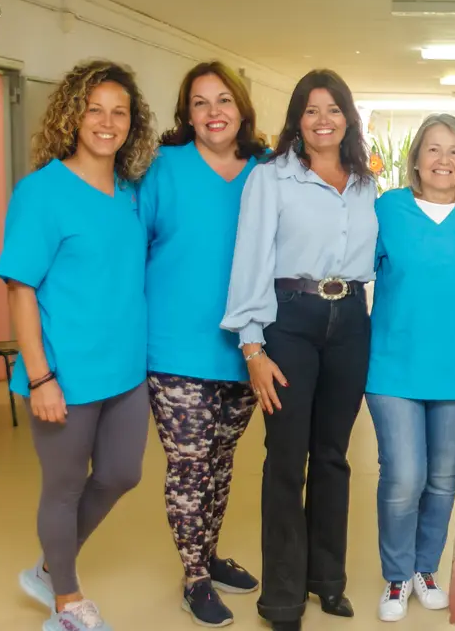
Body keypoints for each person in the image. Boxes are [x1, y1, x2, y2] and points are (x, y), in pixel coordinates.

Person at [1, 59, 157, 631]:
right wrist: (40, 377)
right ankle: (66, 602)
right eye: (95, 109)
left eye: (119, 112)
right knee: (63, 487)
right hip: (64, 373)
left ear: (131, 123)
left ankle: (47, 568)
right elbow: (21, 289)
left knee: (121, 474)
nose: (107, 122)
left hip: (125, 372)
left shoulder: (131, 192)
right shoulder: (41, 192)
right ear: (73, 114)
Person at [221, 69, 378, 631]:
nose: (323, 120)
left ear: (347, 118)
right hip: (291, 320)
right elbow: (251, 259)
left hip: (351, 321)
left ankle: (326, 581)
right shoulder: (272, 179)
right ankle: (282, 596)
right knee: (287, 458)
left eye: (333, 109)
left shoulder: (364, 183)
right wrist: (252, 345)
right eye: (311, 110)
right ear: (297, 119)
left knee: (334, 456)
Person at [140, 61, 266, 626]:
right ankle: (193, 577)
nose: (213, 113)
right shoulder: (160, 169)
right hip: (175, 349)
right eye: (200, 102)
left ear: (241, 109)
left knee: (219, 463)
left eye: (223, 101)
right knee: (188, 466)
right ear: (186, 114)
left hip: (244, 348)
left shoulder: (265, 171)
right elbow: (127, 250)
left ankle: (209, 555)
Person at [365, 113, 455, 622]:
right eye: (433, 149)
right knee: (403, 475)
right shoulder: (387, 209)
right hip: (392, 366)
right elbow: (349, 272)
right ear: (414, 159)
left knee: (442, 476)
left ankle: (424, 567)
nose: (443, 160)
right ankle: (396, 576)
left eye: (454, 151)